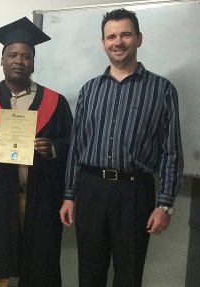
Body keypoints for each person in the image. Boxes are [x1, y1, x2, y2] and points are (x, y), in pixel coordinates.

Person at [59, 8, 183, 287]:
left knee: (129, 274)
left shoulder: (162, 89)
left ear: (139, 38)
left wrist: (165, 204)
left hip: (134, 192)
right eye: (111, 36)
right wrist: (69, 195)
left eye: (125, 34)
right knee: (89, 272)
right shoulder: (89, 90)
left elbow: (172, 152)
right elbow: (77, 147)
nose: (118, 42)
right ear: (103, 42)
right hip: (91, 190)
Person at [0, 17, 73, 287]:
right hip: (0, 199)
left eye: (26, 56)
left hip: (43, 199)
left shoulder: (55, 102)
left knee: (41, 265)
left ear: (33, 63)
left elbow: (73, 145)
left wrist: (52, 148)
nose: (19, 60)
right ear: (1, 60)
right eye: (12, 54)